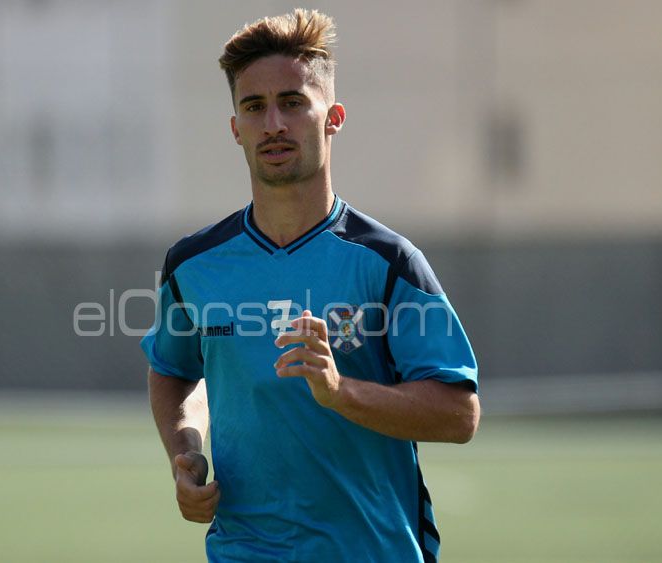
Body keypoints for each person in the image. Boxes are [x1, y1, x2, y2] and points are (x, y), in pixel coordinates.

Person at [141, 9, 479, 562]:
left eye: (293, 102)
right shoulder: (193, 266)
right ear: (236, 128)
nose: (273, 123)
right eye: (254, 106)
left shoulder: (388, 262)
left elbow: (459, 414)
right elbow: (174, 370)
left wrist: (340, 392)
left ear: (333, 118)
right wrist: (186, 450)